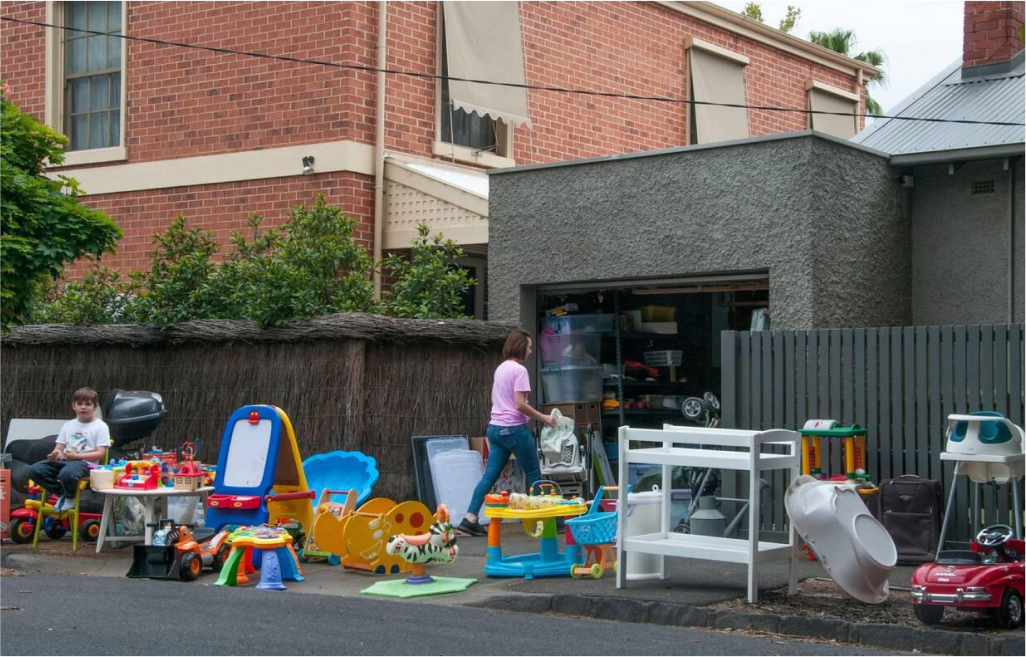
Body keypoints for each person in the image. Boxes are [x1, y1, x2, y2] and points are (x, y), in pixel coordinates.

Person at [458, 329, 556, 537]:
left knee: (489, 476)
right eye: (529, 347)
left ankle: (470, 518)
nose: (530, 351)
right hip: (514, 430)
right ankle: (546, 518)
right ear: (521, 347)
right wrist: (544, 418)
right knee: (534, 474)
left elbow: (495, 401)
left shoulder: (500, 369)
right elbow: (520, 405)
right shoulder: (520, 371)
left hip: (495, 429)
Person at [29, 387, 111, 512]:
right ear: (74, 406)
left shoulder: (100, 426)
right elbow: (59, 448)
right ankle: (63, 493)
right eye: (80, 404)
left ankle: (69, 496)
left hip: (86, 464)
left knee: (67, 473)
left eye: (88, 404)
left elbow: (100, 454)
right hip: (66, 461)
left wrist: (76, 456)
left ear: (95, 406)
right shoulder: (68, 425)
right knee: (34, 470)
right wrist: (55, 453)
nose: (83, 407)